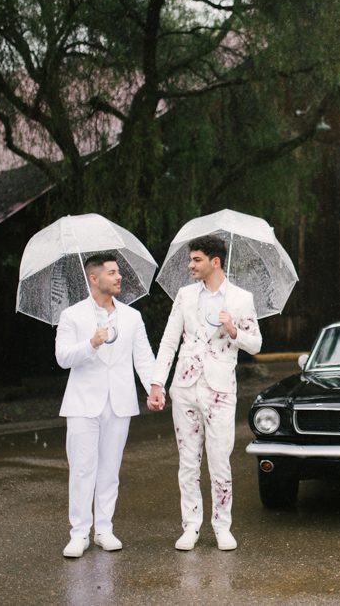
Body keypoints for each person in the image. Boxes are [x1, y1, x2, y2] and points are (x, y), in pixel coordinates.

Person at [148, 236, 261, 551]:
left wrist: (233, 329)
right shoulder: (184, 296)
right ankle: (191, 526)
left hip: (221, 389)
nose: (190, 265)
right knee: (187, 460)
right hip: (184, 388)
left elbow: (256, 343)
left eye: (196, 260)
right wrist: (157, 383)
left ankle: (222, 526)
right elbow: (169, 341)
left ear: (215, 261)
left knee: (219, 460)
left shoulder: (240, 299)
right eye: (190, 259)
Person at [54, 252, 160, 558]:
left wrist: (153, 386)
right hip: (83, 403)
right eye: (112, 273)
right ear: (94, 278)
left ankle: (104, 529)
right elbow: (62, 358)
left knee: (110, 469)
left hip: (120, 401)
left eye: (118, 273)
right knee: (82, 468)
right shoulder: (72, 315)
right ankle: (79, 533)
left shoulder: (131, 316)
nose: (118, 277)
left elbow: (143, 356)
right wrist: (91, 343)